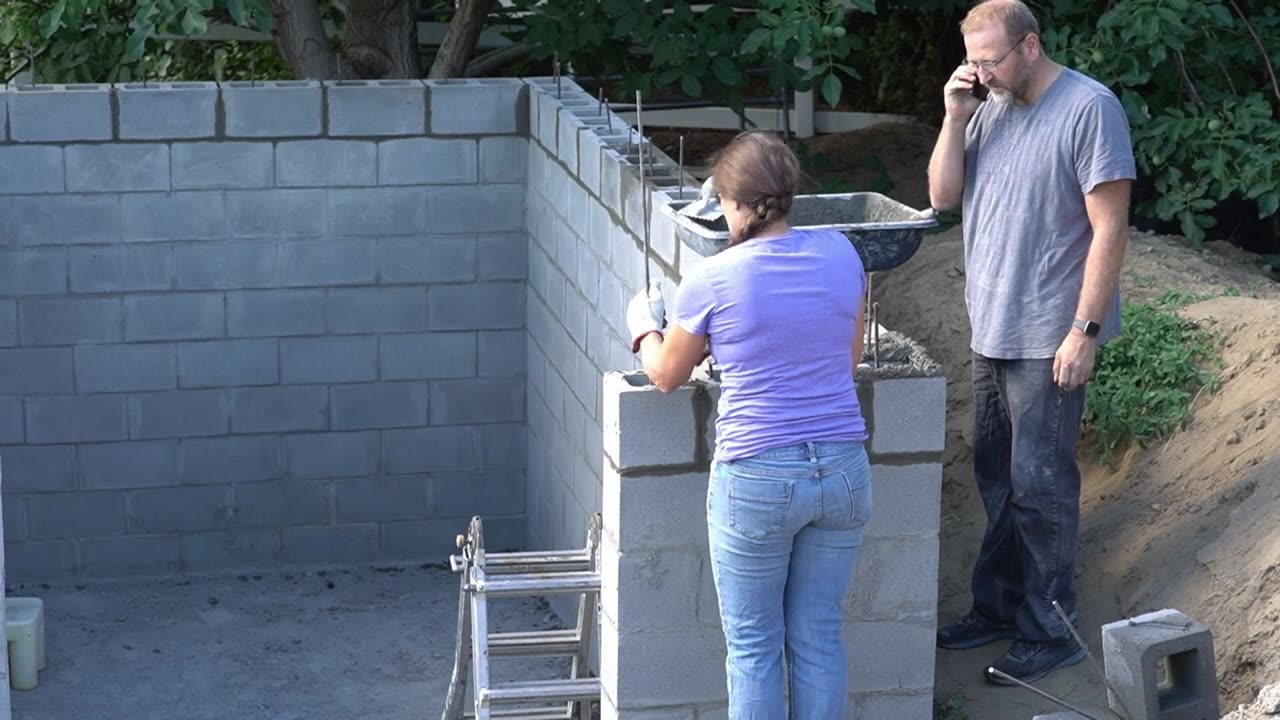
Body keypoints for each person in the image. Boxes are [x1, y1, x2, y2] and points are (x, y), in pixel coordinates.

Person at [624, 130, 873, 719]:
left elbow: (665, 375)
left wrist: (643, 324)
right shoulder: (842, 250)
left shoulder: (713, 277)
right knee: (818, 639)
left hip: (758, 476)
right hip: (842, 468)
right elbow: (850, 356)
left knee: (755, 649)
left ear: (732, 204)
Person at [926, 0, 1136, 686]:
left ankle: (1053, 633)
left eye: (991, 60)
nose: (980, 73)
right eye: (973, 61)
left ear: (1031, 46)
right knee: (995, 476)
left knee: (1039, 486)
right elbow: (942, 197)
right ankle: (998, 606)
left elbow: (1110, 229)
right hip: (991, 326)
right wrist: (955, 116)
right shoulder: (987, 105)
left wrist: (1084, 331)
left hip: (1049, 332)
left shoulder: (1088, 109)